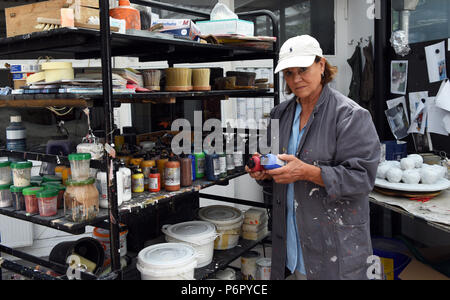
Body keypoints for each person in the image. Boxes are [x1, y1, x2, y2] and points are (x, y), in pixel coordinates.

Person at [246, 35, 380, 280]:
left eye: (303, 69)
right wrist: (264, 172)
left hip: (334, 245)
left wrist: (306, 172)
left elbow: (362, 179)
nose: (296, 79)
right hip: (293, 243)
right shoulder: (280, 114)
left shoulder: (350, 116)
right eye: (288, 72)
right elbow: (274, 166)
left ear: (321, 65)